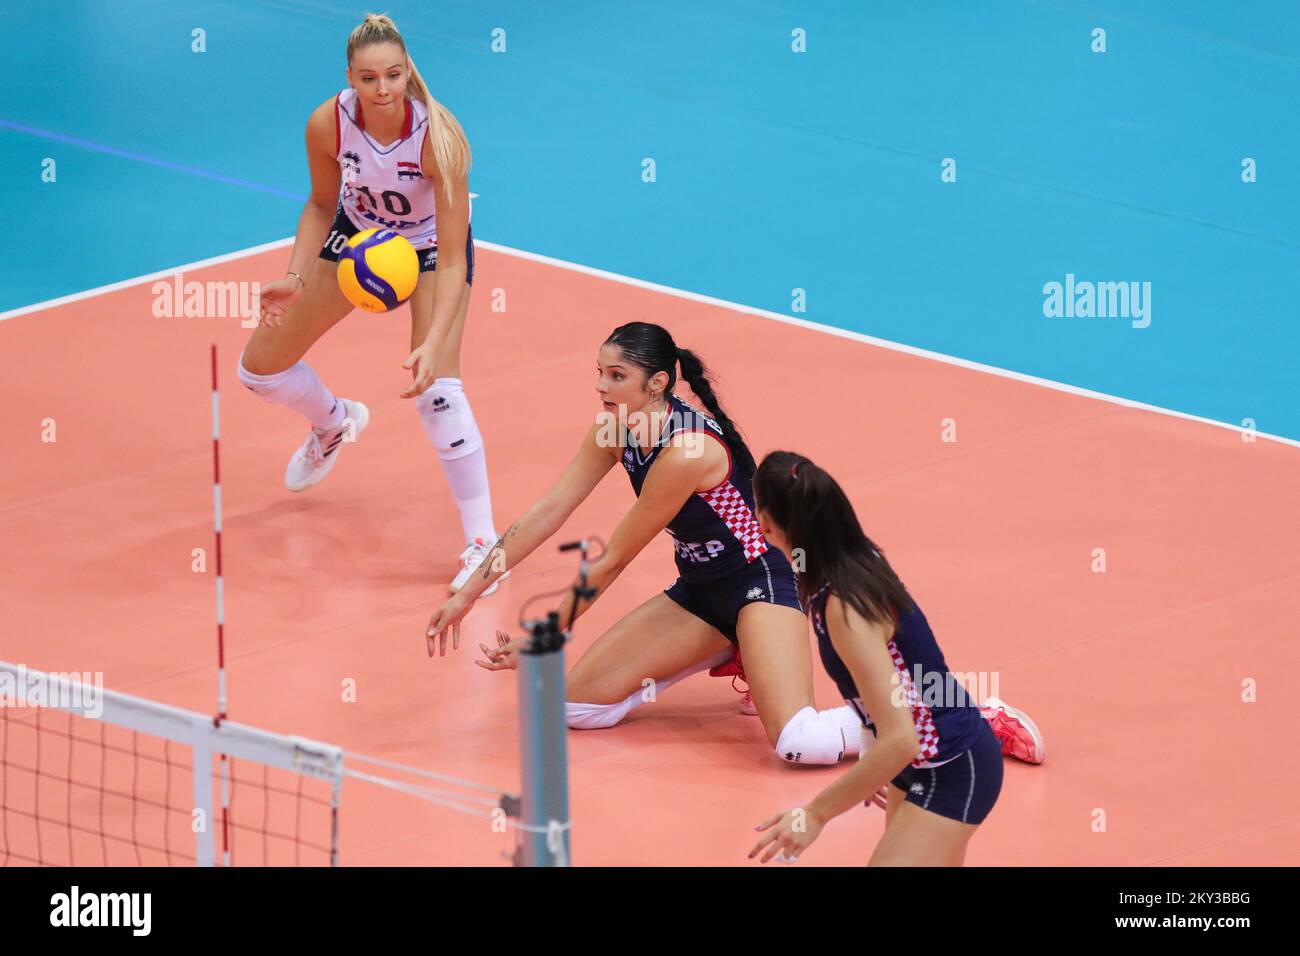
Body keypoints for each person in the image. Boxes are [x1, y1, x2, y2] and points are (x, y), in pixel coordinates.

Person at [427, 322, 869, 766]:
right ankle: (732, 645)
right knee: (572, 706)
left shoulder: (687, 452)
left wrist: (545, 637)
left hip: (762, 583)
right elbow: (548, 511)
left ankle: (902, 717)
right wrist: (468, 591)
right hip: (700, 591)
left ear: (657, 382)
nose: (601, 386)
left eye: (617, 376)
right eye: (599, 372)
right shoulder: (613, 431)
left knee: (800, 742)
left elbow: (614, 559)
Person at [237, 13, 505, 594]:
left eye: (393, 75)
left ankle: (484, 545)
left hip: (431, 251)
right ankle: (333, 423)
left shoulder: (440, 138)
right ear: (350, 78)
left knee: (438, 391)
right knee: (257, 371)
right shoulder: (327, 123)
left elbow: (456, 257)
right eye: (368, 78)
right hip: (358, 243)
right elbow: (318, 204)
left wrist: (434, 343)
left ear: (408, 70)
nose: (383, 90)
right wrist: (294, 274)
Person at [748, 451, 1043, 866]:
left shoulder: (845, 605)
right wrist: (873, 754)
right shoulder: (843, 561)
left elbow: (902, 737)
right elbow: (887, 684)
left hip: (953, 765)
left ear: (767, 521)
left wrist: (814, 814)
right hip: (917, 762)